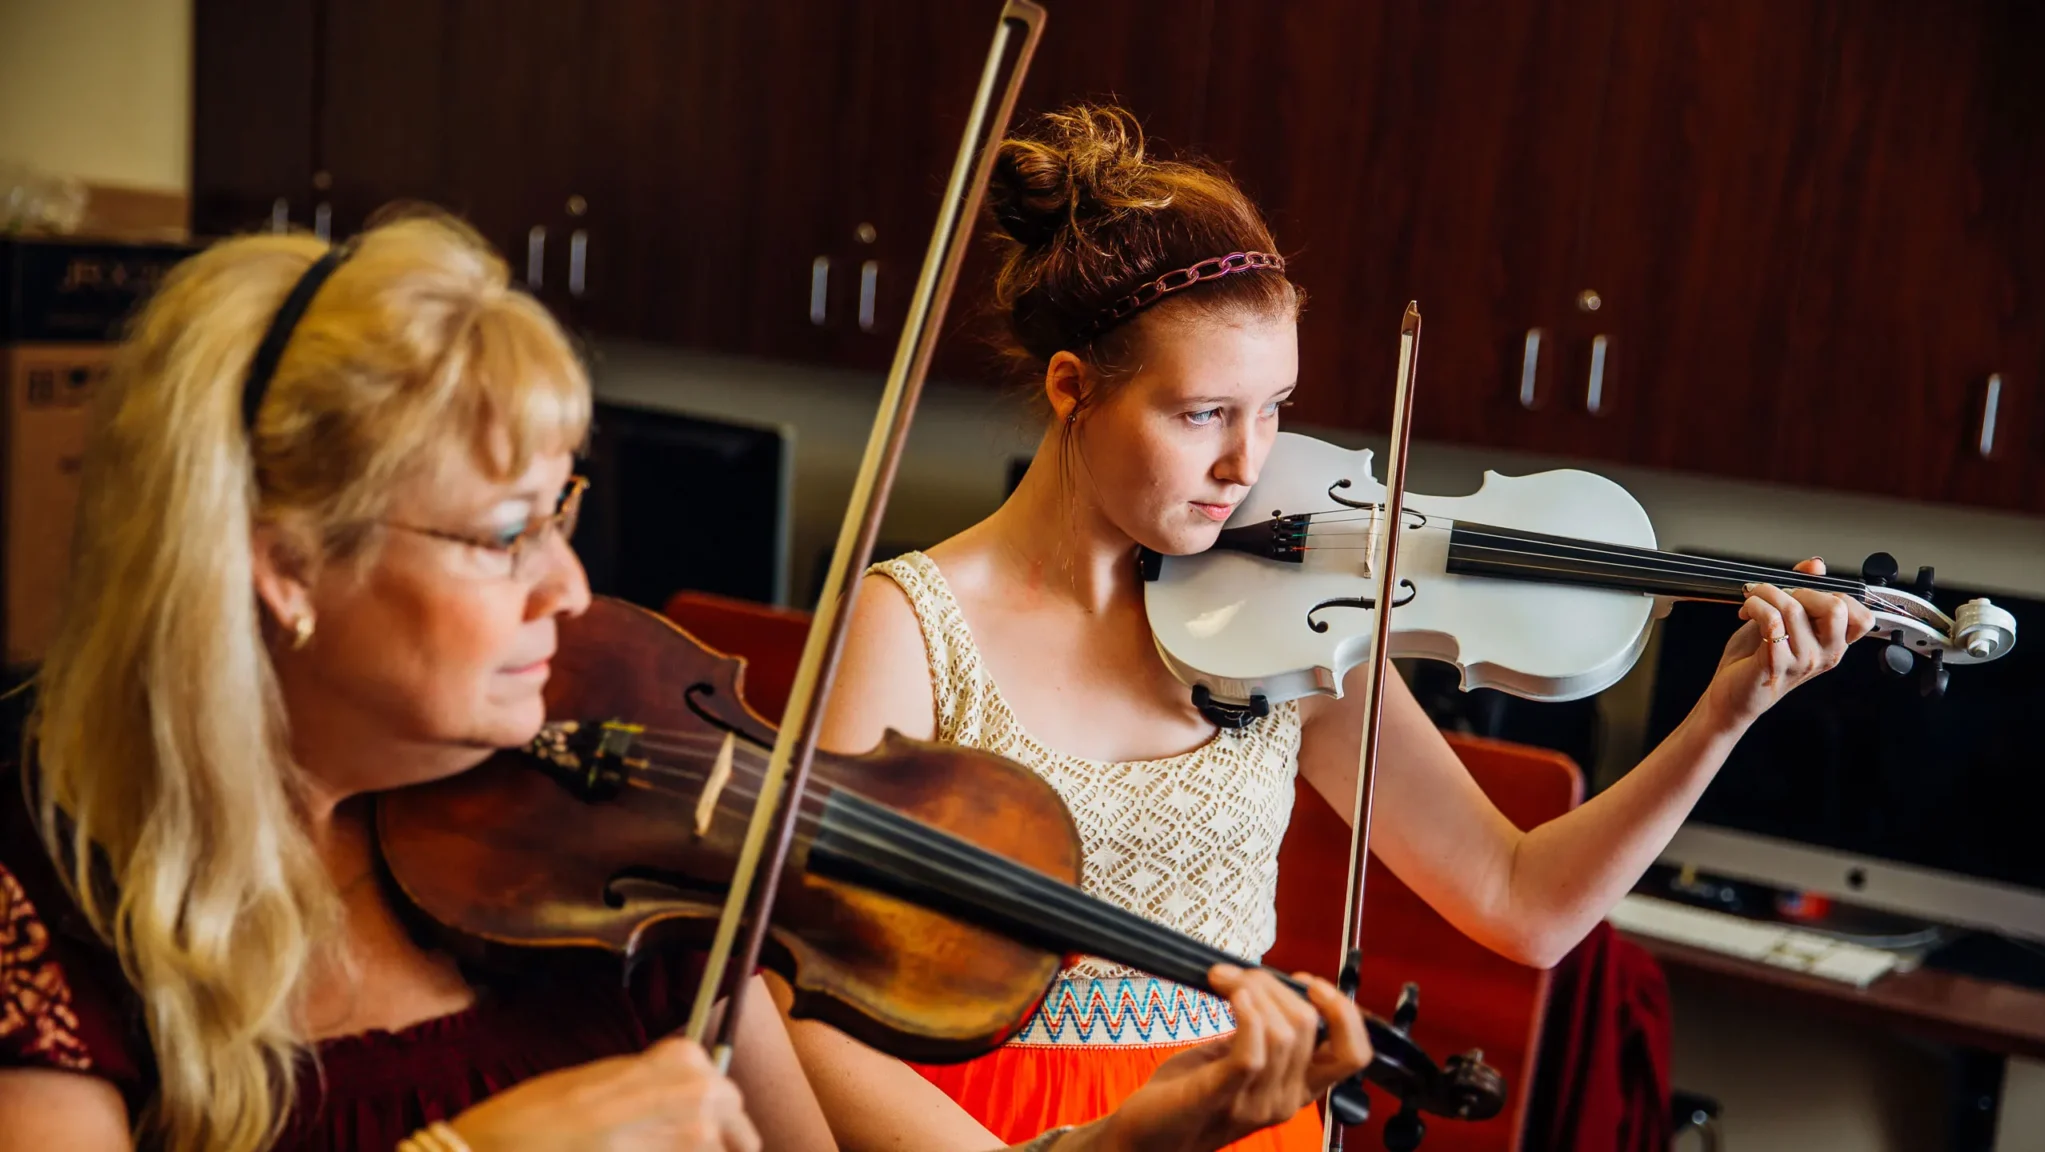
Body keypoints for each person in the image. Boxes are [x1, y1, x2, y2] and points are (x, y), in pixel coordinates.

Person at [0, 213, 1374, 1152]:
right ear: (283, 567)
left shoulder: (635, 890)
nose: (572, 590)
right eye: (501, 536)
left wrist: (1141, 1137)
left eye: (563, 511)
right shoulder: (57, 911)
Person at [785, 104, 1878, 1151]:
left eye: (1273, 410)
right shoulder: (907, 628)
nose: (1246, 463)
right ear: (1073, 388)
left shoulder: (1286, 634)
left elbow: (1523, 901)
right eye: (1201, 412)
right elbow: (803, 1014)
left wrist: (1719, 719)